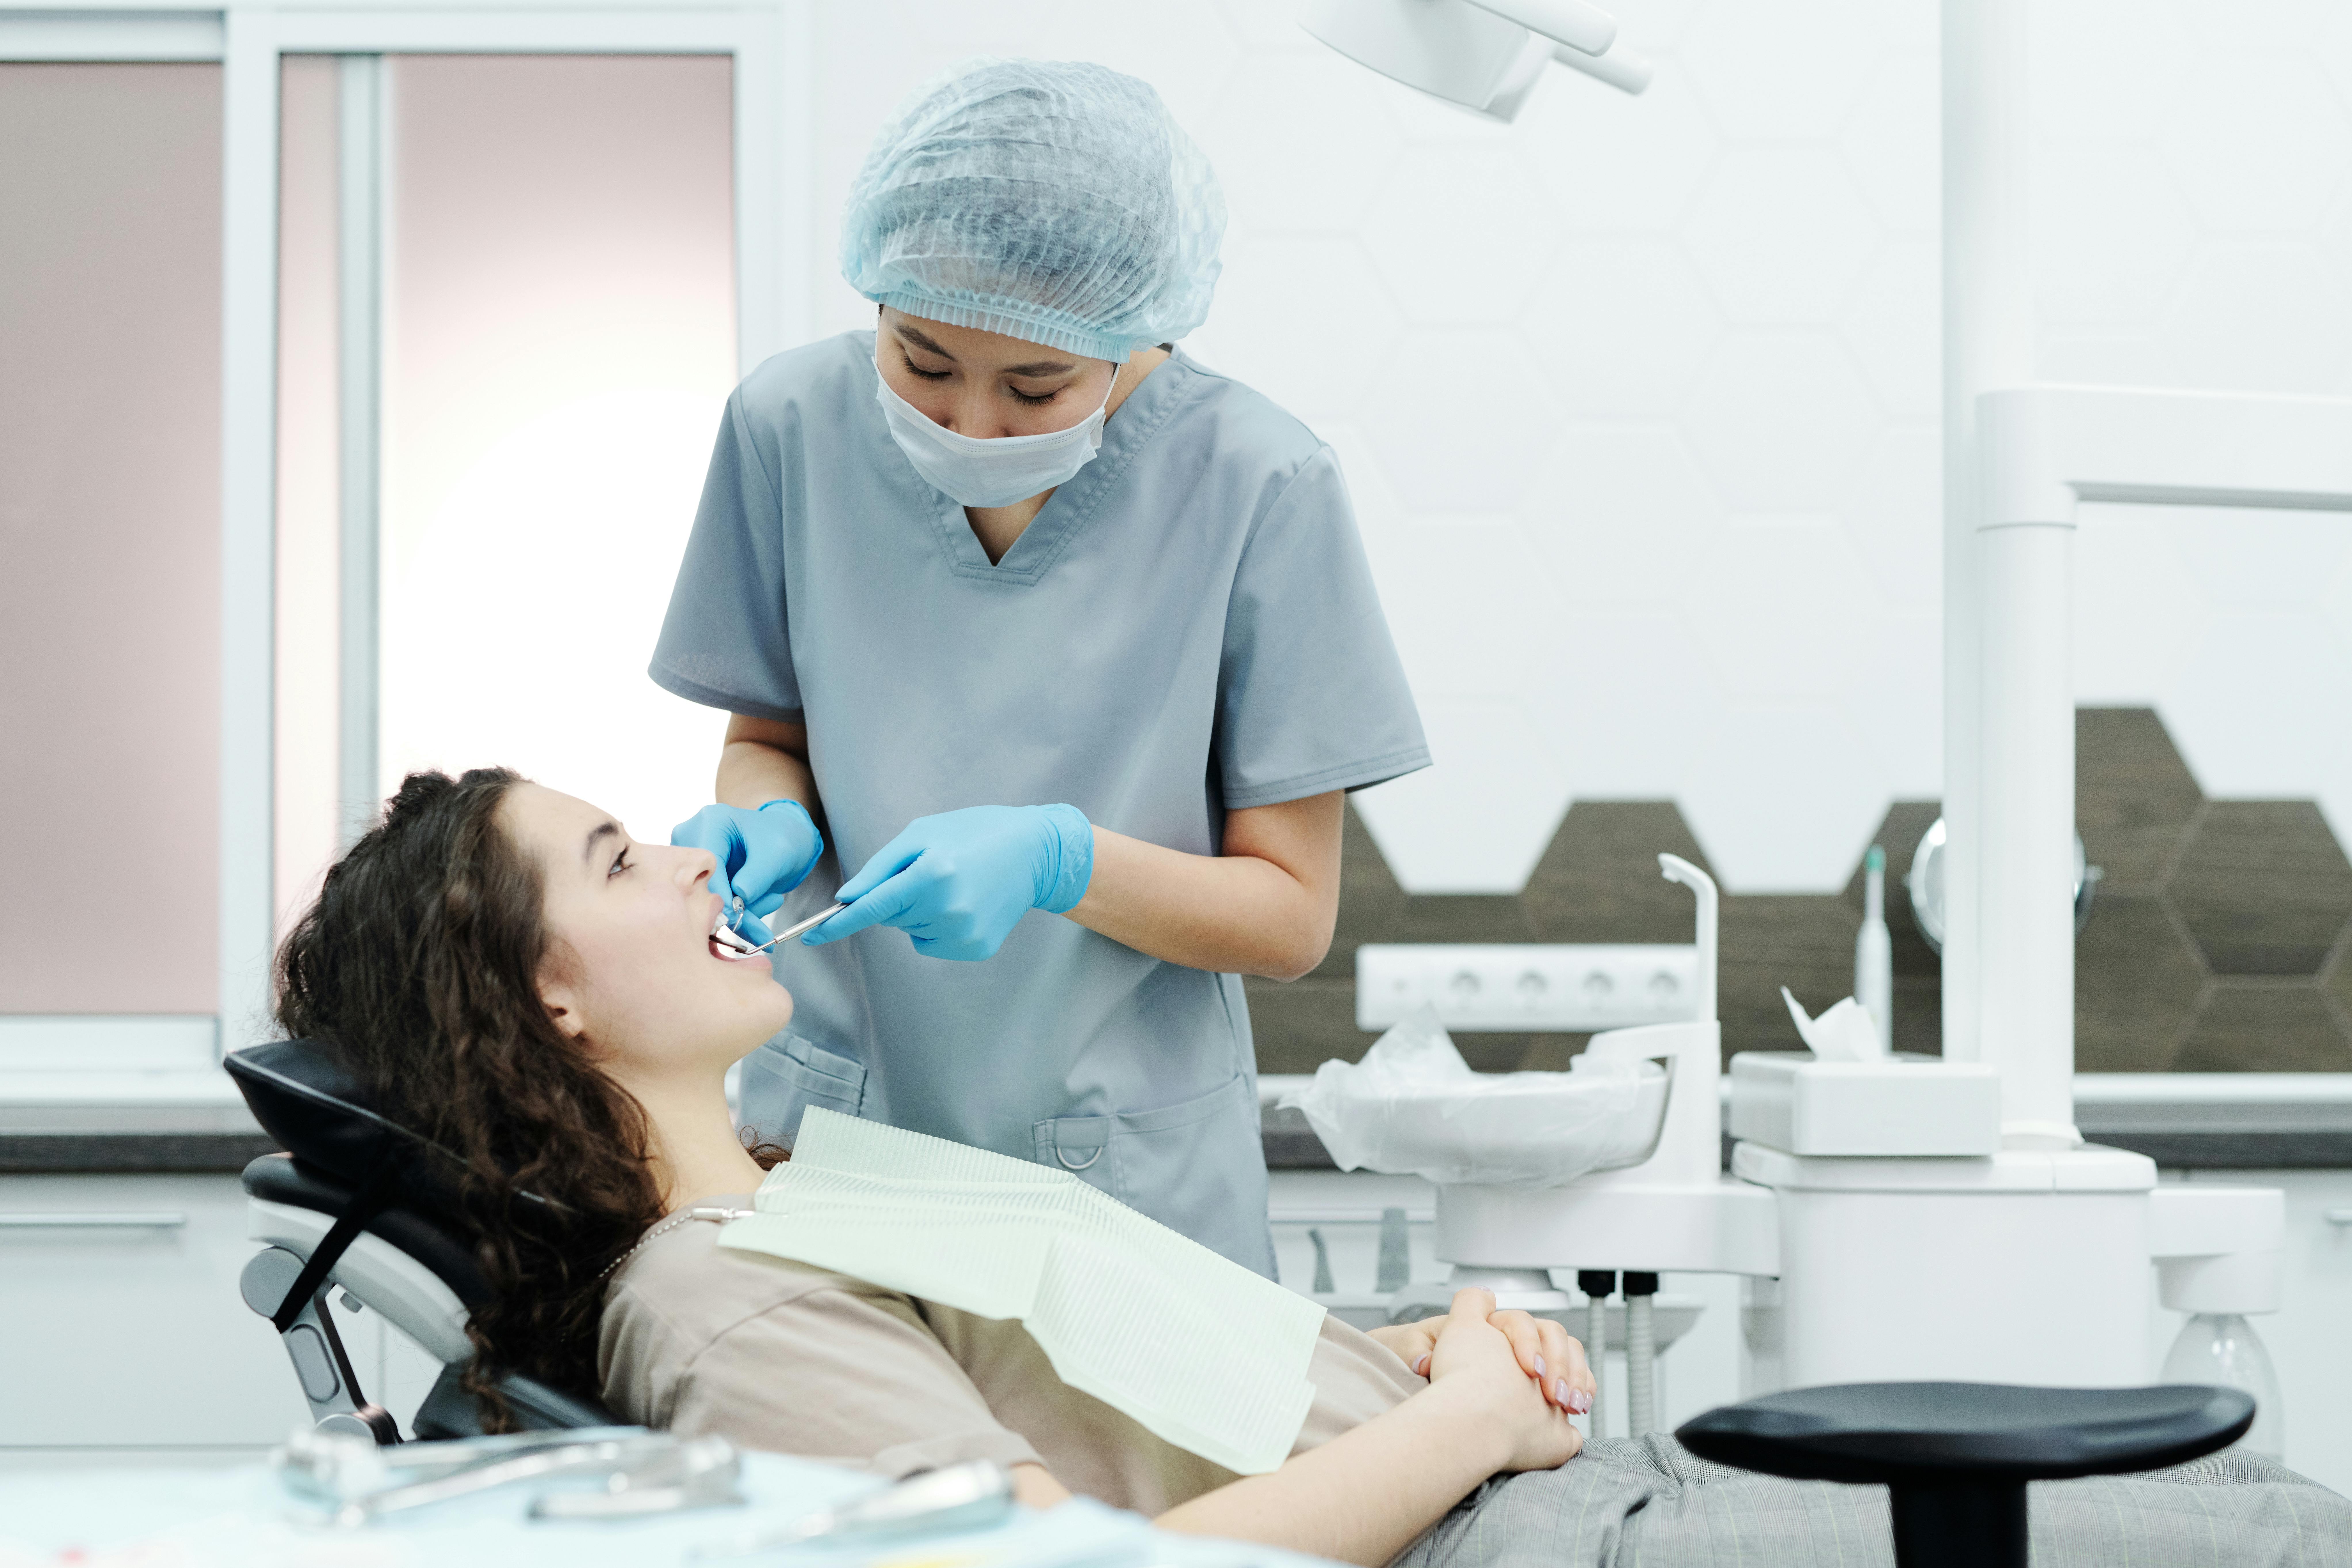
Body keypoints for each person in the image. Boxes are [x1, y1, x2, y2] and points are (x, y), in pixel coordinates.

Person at [273, 769, 2352, 1568]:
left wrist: (1419, 1336)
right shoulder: (713, 1296)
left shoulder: (804, 1186)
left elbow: (1147, 1379)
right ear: (544, 1002)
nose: (696, 848)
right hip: (1503, 1544)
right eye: (628, 858)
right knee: (2273, 1541)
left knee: (2262, 1500)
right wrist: (1454, 1420)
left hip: (1516, 1485)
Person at [649, 59, 1427, 1274]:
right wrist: (769, 823)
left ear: (1135, 330)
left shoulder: (1257, 485)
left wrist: (1060, 863)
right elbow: (769, 740)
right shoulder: (788, 428)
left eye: (1034, 384)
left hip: (1121, 1190)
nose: (968, 426)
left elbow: (1287, 918)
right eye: (918, 361)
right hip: (830, 1152)